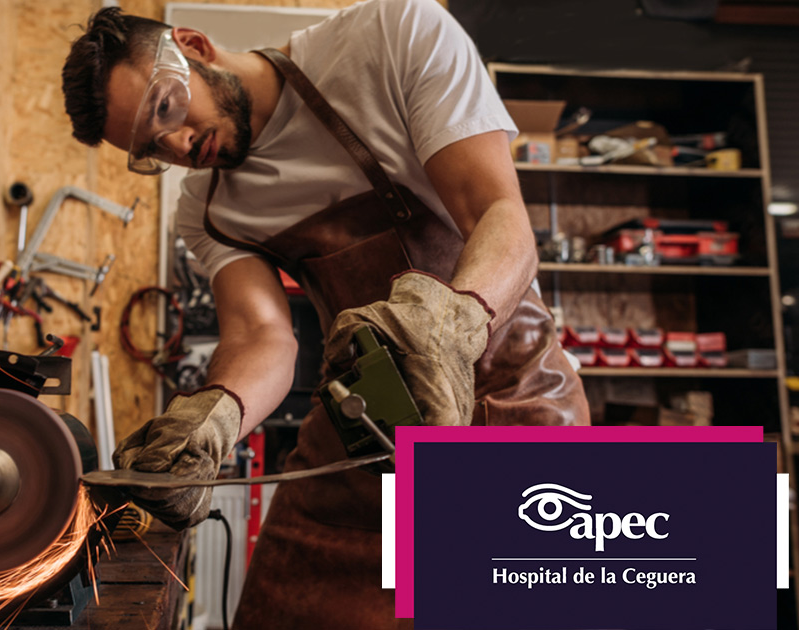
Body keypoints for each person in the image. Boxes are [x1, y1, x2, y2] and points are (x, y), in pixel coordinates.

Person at [63, 0, 590, 627]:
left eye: (167, 110)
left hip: (505, 405)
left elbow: (497, 216)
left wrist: (452, 327)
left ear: (195, 46)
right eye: (155, 149)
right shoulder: (208, 209)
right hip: (364, 427)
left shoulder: (391, 37)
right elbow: (262, 335)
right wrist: (216, 418)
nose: (179, 144)